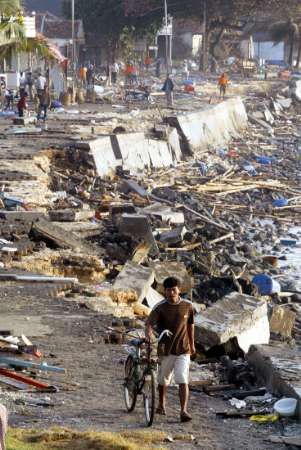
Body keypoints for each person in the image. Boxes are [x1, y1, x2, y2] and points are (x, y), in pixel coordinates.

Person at [146, 277, 195, 423]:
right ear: (164, 291)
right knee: (163, 380)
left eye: (174, 289)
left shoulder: (188, 306)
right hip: (166, 349)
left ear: (179, 290)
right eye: (168, 290)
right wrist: (148, 335)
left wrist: (192, 345)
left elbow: (191, 326)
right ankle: (161, 404)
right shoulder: (159, 307)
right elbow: (148, 324)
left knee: (182, 379)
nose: (171, 292)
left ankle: (183, 410)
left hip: (183, 349)